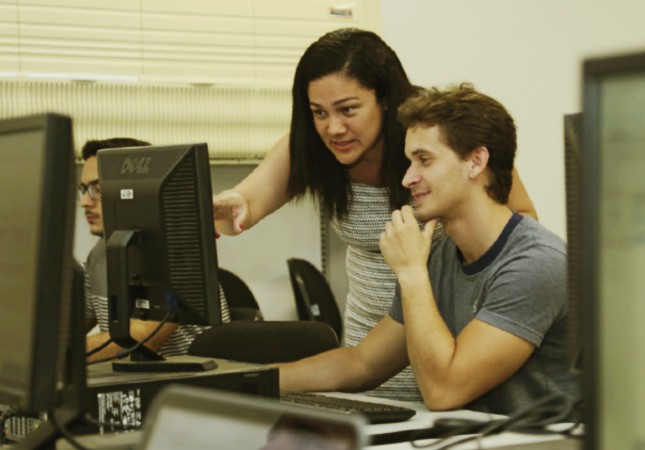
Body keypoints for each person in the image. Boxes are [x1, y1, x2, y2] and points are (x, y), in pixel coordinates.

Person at [213, 28, 538, 402]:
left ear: (384, 99)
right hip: (375, 355)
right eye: (319, 112)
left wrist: (482, 311)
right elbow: (240, 210)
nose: (333, 128)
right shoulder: (311, 148)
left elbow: (515, 225)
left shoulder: (440, 141)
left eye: (348, 109)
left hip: (458, 359)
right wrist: (231, 203)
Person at [276, 84, 579, 416]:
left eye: (424, 160)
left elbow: (444, 391)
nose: (407, 179)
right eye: (409, 161)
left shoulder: (536, 264)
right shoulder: (440, 256)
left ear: (476, 162)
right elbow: (360, 364)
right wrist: (246, 379)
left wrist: (410, 273)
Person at [80, 138, 230, 362]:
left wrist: (56, 357)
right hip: (137, 382)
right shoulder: (102, 251)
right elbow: (68, 326)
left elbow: (142, 337)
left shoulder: (176, 254)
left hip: (192, 387)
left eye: (97, 189)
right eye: (83, 189)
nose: (84, 202)